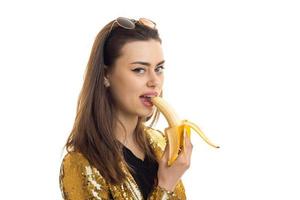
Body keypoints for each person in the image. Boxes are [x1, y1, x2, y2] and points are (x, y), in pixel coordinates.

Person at [59, 17, 193, 200]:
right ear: (106, 75)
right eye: (139, 69)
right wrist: (165, 186)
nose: (154, 81)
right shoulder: (81, 163)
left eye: (159, 68)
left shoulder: (160, 143)